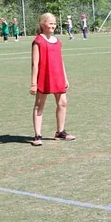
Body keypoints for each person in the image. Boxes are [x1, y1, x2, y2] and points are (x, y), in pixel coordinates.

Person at [30, 13, 75, 146]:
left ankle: (60, 132)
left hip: (58, 76)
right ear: (43, 24)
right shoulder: (38, 41)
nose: (53, 26)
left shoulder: (57, 41)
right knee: (39, 105)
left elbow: (61, 61)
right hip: (44, 76)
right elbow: (35, 64)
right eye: (50, 23)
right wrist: (33, 83)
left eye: (54, 24)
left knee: (63, 103)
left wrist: (65, 78)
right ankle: (37, 135)